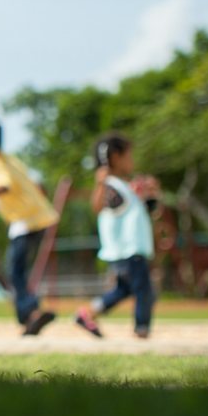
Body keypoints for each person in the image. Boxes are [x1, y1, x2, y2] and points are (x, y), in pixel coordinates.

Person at [0, 119, 59, 336]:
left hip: (24, 221)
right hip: (39, 217)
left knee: (14, 271)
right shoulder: (11, 159)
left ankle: (31, 312)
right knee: (18, 271)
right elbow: (37, 185)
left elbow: (3, 186)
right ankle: (29, 316)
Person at [75, 132, 156, 339]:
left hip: (127, 249)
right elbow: (97, 207)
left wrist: (149, 194)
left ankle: (88, 313)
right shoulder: (109, 185)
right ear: (116, 157)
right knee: (143, 289)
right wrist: (99, 184)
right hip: (128, 248)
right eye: (129, 156)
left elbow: (144, 211)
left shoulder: (122, 186)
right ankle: (142, 327)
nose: (132, 161)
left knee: (124, 289)